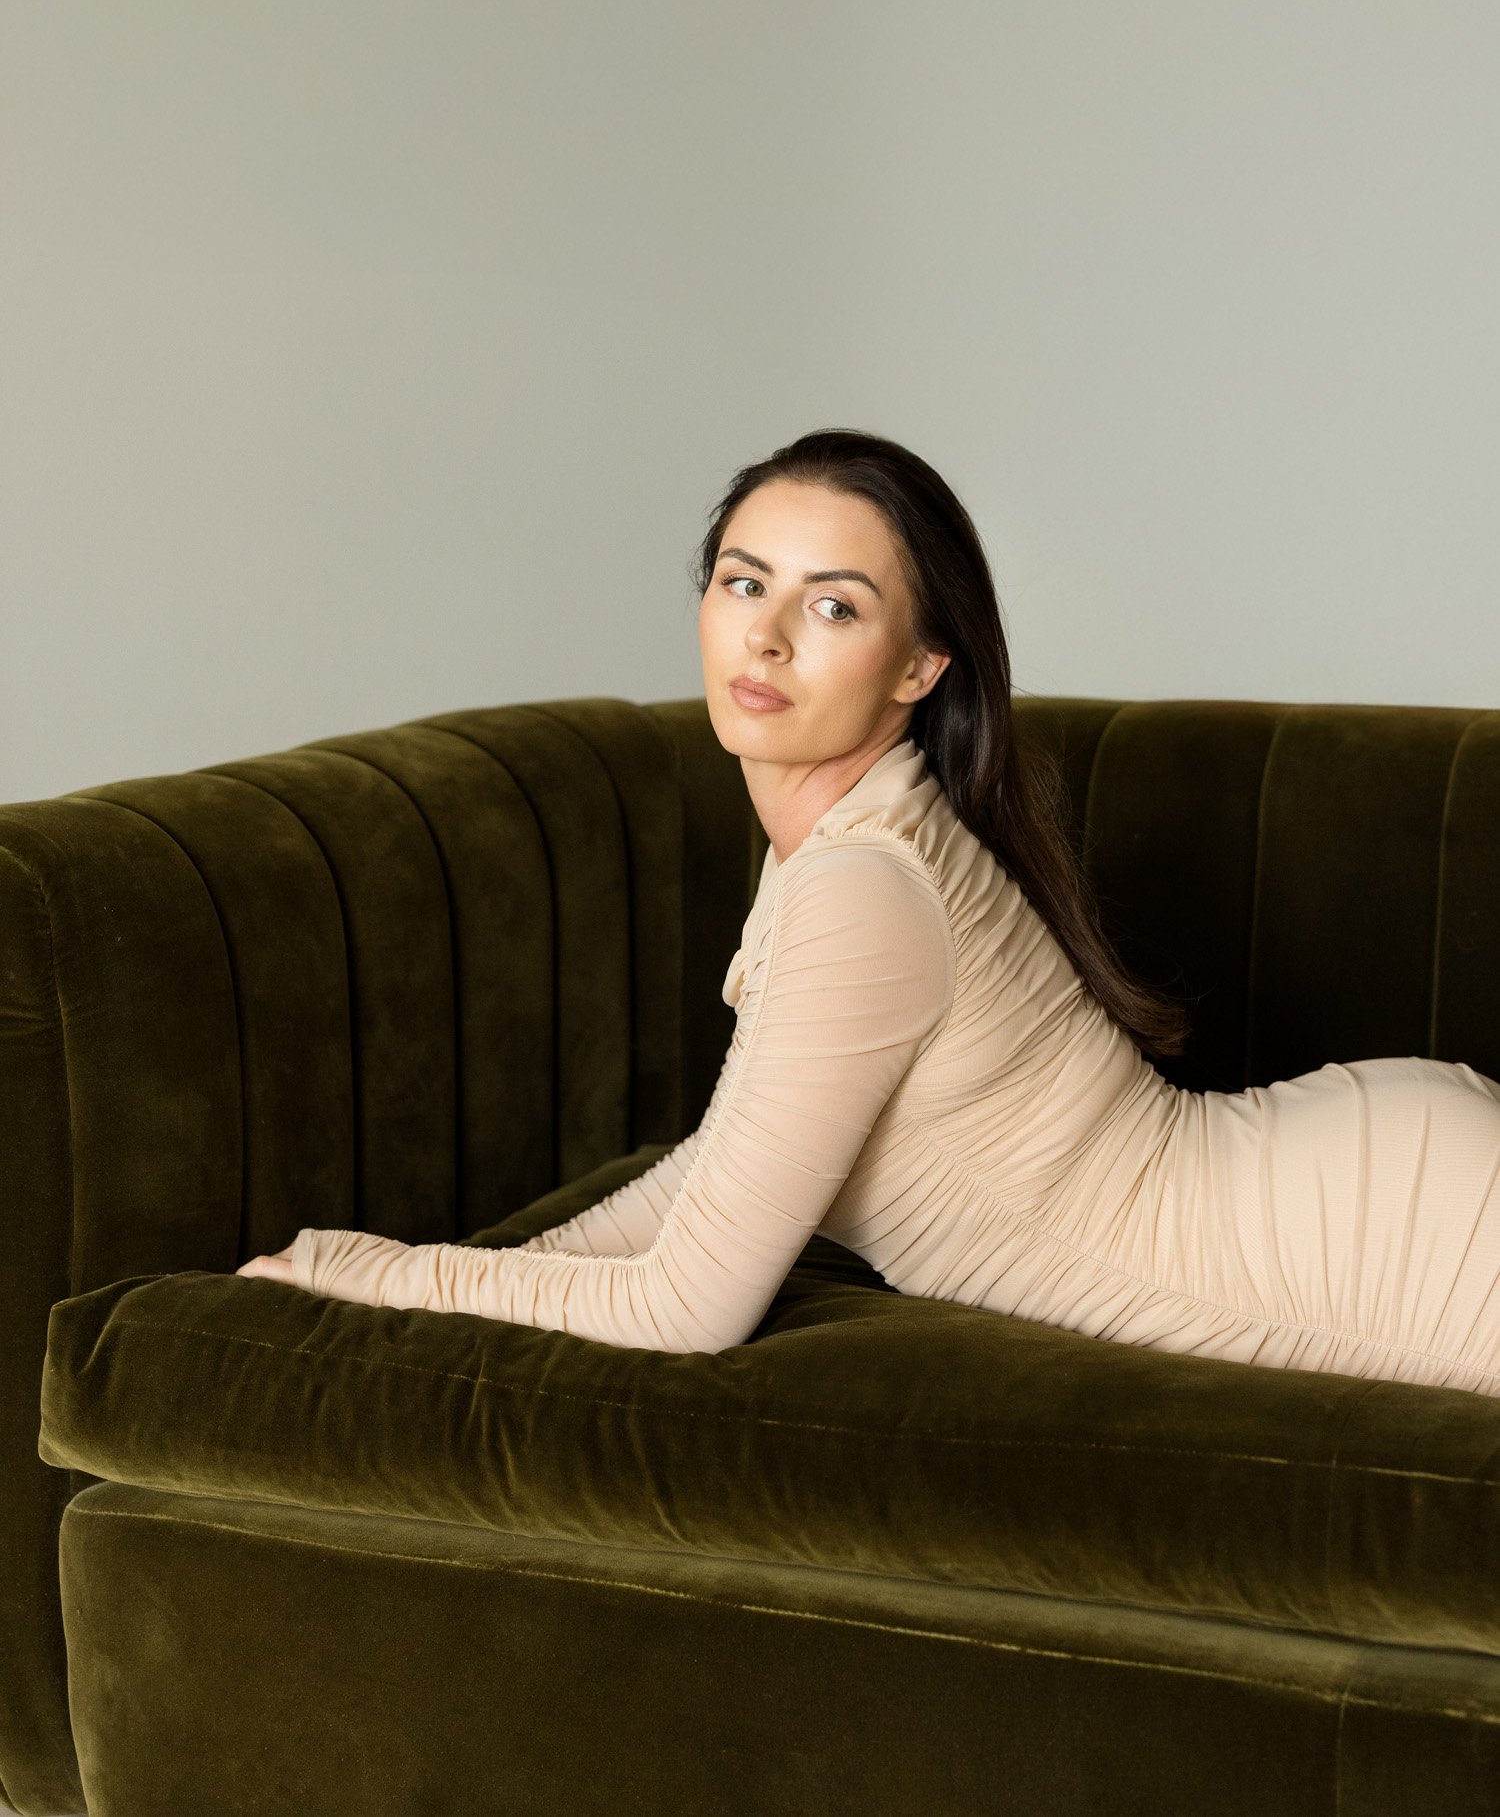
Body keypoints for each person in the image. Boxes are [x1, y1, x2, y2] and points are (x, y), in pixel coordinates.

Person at [237, 428, 1500, 1394]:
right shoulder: (842, 849)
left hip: (1384, 1246)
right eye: (744, 582)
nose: (769, 636)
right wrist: (498, 1273)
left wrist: (376, 1273)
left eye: (833, 605)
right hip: (1366, 1175)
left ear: (918, 667)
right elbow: (718, 1168)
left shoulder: (863, 888)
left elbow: (691, 1306)